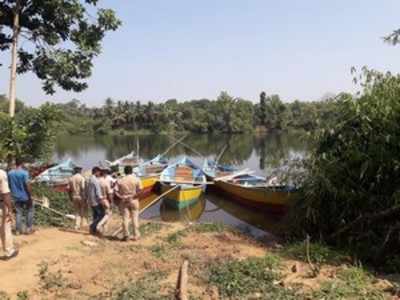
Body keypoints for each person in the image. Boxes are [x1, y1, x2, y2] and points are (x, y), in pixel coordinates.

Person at [115, 166, 142, 241]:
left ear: (124, 171)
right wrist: (133, 196)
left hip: (124, 200)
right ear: (132, 171)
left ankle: (126, 235)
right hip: (133, 200)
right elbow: (140, 191)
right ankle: (136, 235)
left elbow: (116, 191)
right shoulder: (136, 179)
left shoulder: (120, 180)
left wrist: (121, 197)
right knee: (135, 218)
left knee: (125, 218)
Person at [8, 158, 34, 235]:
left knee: (18, 213)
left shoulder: (10, 173)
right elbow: (27, 185)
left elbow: (9, 184)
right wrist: (30, 196)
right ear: (22, 164)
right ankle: (28, 229)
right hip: (25, 196)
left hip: (15, 196)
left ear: (15, 163)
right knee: (30, 210)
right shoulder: (25, 173)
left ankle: (17, 231)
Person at [0, 168, 18, 260]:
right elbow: (5, 193)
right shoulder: (1, 173)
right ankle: (9, 252)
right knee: (5, 227)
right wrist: (10, 210)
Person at [87, 167, 105, 236]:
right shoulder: (95, 180)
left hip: (90, 200)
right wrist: (101, 200)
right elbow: (98, 192)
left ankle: (93, 230)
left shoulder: (89, 179)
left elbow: (86, 190)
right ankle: (92, 226)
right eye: (99, 172)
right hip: (96, 200)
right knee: (101, 214)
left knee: (95, 215)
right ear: (96, 172)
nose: (100, 173)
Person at [97, 168, 113, 235]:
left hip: (98, 200)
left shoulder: (96, 181)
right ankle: (99, 225)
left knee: (103, 214)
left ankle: (104, 230)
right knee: (108, 214)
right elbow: (109, 193)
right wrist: (111, 202)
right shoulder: (105, 182)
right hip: (105, 199)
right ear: (104, 173)